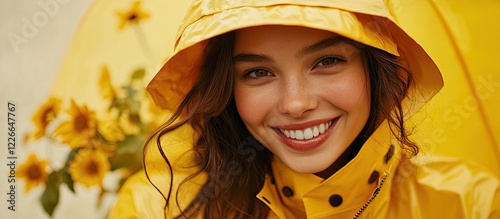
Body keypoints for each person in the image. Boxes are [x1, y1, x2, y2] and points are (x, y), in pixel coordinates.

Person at [109, 0, 500, 218]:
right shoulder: (156, 208)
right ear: (226, 89)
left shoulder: (470, 203)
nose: (296, 103)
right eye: (258, 72)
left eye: (327, 61)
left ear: (376, 68)